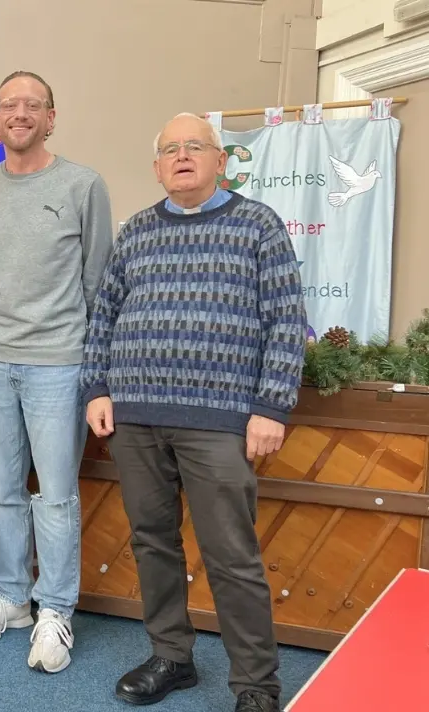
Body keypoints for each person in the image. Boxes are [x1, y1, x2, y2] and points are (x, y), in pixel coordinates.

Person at [80, 112, 306, 712]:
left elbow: (286, 319)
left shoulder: (258, 225)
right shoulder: (135, 231)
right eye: (170, 149)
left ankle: (256, 685)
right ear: (157, 167)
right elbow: (104, 315)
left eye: (194, 146)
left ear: (220, 160)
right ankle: (171, 657)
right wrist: (98, 388)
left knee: (231, 555)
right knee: (153, 542)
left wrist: (271, 406)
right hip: (136, 416)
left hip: (222, 420)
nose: (182, 156)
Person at [0, 70, 114, 675]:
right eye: (8, 105)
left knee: (54, 496)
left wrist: (98, 372)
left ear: (51, 117)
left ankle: (55, 609)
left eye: (33, 105)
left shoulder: (83, 185)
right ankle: (13, 598)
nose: (19, 114)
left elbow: (100, 284)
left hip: (59, 363)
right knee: (0, 492)